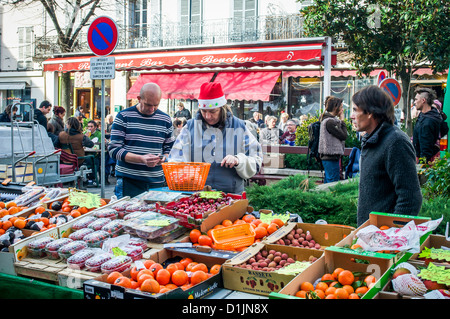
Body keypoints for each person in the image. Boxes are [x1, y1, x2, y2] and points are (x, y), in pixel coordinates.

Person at [168, 82, 263, 194]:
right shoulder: (189, 128)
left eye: (213, 111)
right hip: (195, 196)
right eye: (204, 111)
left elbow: (256, 160)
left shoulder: (239, 127)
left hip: (231, 196)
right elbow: (174, 159)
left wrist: (238, 160)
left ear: (222, 108)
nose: (208, 116)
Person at [351, 85, 422, 226]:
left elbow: (410, 197)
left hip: (384, 240)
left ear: (370, 112)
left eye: (354, 110)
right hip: (370, 236)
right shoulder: (372, 139)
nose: (351, 116)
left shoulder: (395, 141)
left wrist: (391, 233)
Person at [108, 82, 175, 198]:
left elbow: (171, 148)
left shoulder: (165, 119)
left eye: (156, 105)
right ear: (139, 99)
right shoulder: (123, 117)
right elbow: (113, 150)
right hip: (128, 181)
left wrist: (165, 157)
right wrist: (140, 159)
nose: (152, 109)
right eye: (148, 105)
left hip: (156, 182)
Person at [318, 96, 348, 183]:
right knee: (333, 184)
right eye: (341, 107)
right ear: (336, 107)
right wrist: (342, 121)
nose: (342, 110)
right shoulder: (330, 122)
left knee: (328, 181)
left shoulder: (327, 120)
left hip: (328, 157)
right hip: (330, 156)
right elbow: (343, 135)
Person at [412, 87, 443, 163]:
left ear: (423, 100)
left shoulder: (428, 121)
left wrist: (421, 165)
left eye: (416, 99)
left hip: (426, 161)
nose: (414, 102)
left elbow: (426, 149)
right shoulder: (424, 115)